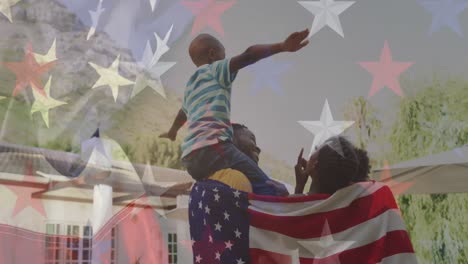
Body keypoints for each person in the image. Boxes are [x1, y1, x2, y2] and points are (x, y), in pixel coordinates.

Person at [160, 30, 309, 195]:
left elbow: (183, 112)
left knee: (225, 184)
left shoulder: (191, 85)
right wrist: (281, 46)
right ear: (212, 55)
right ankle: (282, 202)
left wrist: (173, 131)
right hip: (212, 148)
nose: (227, 60)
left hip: (190, 159)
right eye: (224, 55)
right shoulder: (215, 69)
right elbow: (249, 55)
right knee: (269, 187)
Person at [294, 136, 371, 195]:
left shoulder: (297, 206)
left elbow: (292, 211)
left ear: (315, 163)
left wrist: (299, 186)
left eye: (316, 148)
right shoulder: (338, 206)